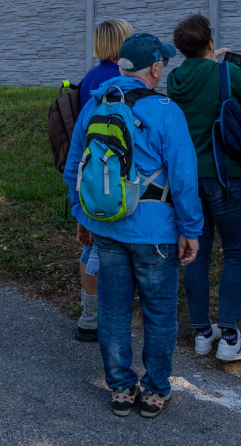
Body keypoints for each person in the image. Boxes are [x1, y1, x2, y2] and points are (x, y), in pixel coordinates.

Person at [63, 33, 203, 419]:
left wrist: (82, 214)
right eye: (163, 65)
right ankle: (156, 390)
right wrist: (191, 230)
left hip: (107, 227)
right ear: (155, 68)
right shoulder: (165, 109)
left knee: (112, 309)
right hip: (156, 233)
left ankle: (121, 388)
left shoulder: (95, 103)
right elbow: (184, 177)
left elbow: (75, 166)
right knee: (159, 313)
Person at [167, 14, 241, 361]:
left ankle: (202, 331)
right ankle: (229, 337)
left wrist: (211, 62)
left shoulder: (174, 79)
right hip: (225, 176)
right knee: (236, 253)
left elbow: (199, 85)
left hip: (187, 182)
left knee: (195, 253)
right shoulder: (226, 72)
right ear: (211, 43)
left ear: (180, 49)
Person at [73, 19, 134, 343]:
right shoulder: (115, 79)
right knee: (99, 246)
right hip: (109, 172)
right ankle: (95, 317)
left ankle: (89, 313)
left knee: (91, 242)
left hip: (88, 171)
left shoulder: (91, 77)